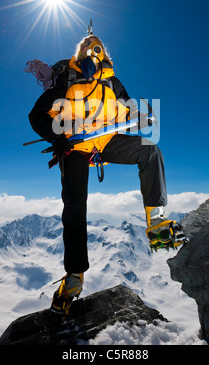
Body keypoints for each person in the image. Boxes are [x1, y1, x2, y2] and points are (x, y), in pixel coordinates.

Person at [27, 30, 186, 314]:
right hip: (74, 146)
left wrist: (136, 116)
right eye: (88, 45)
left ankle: (157, 221)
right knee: (75, 204)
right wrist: (57, 138)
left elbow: (127, 111)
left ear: (104, 53)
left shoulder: (112, 82)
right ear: (79, 51)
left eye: (97, 46)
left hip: (106, 142)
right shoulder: (65, 79)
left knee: (149, 150)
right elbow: (37, 115)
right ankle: (74, 277)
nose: (92, 50)